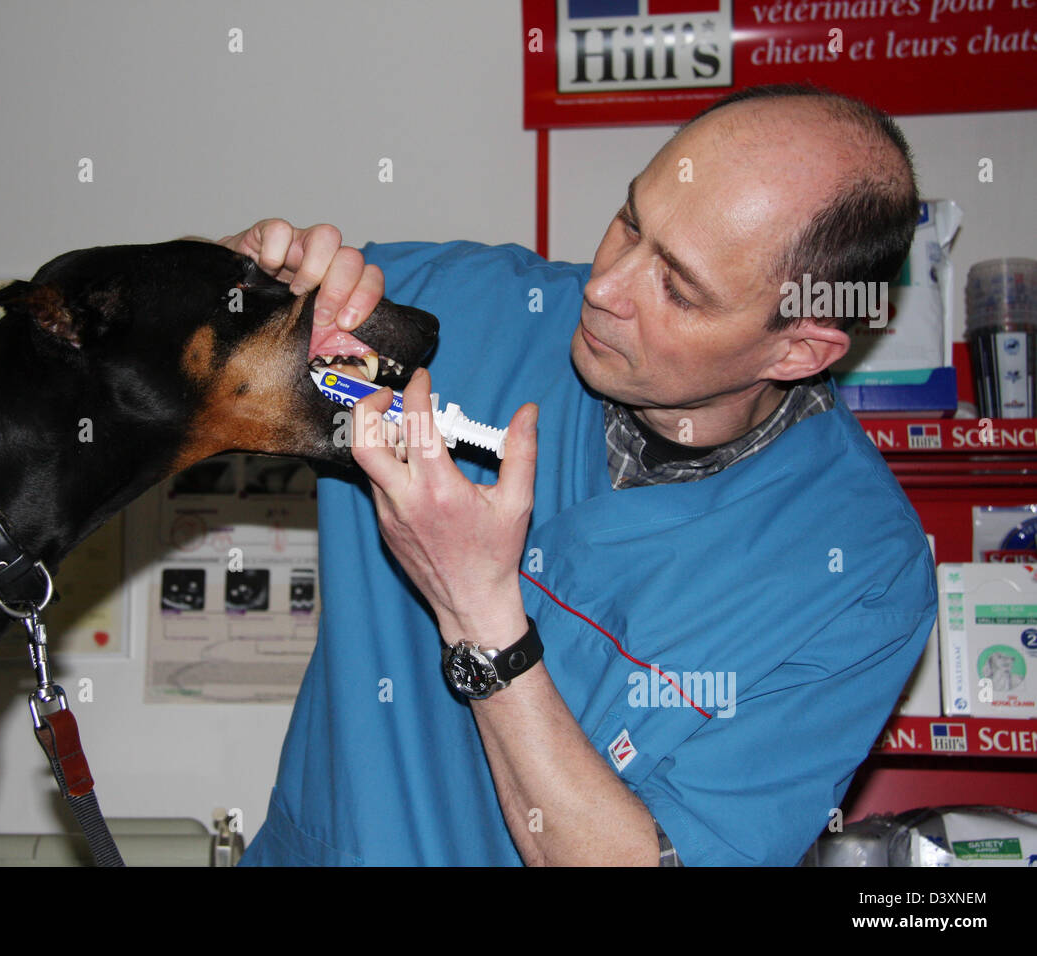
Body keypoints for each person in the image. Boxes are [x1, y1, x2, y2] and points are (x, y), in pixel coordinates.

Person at [218, 84, 938, 866]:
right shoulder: (458, 311)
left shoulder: (860, 575)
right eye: (631, 221)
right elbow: (130, 359)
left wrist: (478, 614)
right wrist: (233, 276)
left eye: (677, 288)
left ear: (797, 349)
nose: (602, 289)